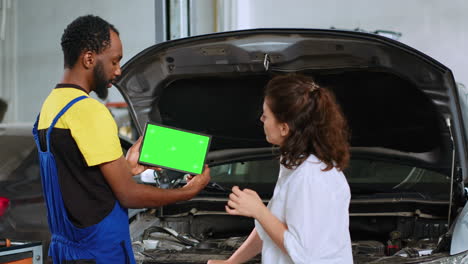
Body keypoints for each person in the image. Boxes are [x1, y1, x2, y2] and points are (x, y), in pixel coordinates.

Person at [32, 15, 210, 264]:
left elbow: (77, 179)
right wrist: (187, 192)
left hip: (68, 252)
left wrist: (125, 167)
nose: (118, 71)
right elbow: (129, 195)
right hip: (99, 252)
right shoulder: (89, 111)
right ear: (89, 58)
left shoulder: (50, 107)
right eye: (114, 61)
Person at [208, 74, 352, 264]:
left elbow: (306, 255)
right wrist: (231, 262)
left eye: (266, 115)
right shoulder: (293, 163)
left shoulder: (311, 177)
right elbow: (270, 227)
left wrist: (259, 211)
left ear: (284, 128)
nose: (261, 119)